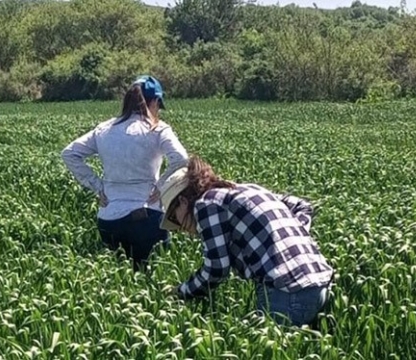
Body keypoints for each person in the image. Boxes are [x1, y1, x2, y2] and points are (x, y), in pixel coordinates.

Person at [158, 155, 334, 327]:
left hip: (287, 293)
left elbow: (216, 269)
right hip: (322, 285)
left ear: (182, 201)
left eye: (174, 218)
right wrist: (291, 233)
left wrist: (181, 293)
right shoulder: (247, 189)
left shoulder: (205, 204)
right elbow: (300, 205)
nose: (179, 227)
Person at [61, 75, 189, 271]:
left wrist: (98, 187)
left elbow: (69, 153)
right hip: (147, 218)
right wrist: (161, 185)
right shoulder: (157, 129)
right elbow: (181, 159)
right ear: (154, 101)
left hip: (109, 220)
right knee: (153, 281)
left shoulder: (105, 129)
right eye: (158, 105)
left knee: (117, 279)